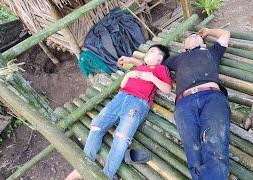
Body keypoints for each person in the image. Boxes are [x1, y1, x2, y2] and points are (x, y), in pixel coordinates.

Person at [65, 44, 172, 180]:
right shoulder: (140, 67)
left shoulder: (161, 69)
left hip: (137, 103)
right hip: (120, 97)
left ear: (159, 58)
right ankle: (82, 168)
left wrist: (152, 78)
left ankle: (106, 175)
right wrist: (130, 74)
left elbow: (167, 88)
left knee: (121, 138)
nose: (147, 53)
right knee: (96, 126)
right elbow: (123, 85)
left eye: (151, 51)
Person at [162, 28, 231, 180]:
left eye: (197, 36)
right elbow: (157, 64)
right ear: (183, 47)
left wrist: (208, 31)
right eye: (190, 35)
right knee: (194, 156)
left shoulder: (212, 52)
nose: (194, 35)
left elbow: (225, 34)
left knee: (215, 146)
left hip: (212, 97)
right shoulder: (177, 58)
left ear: (203, 43)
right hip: (184, 104)